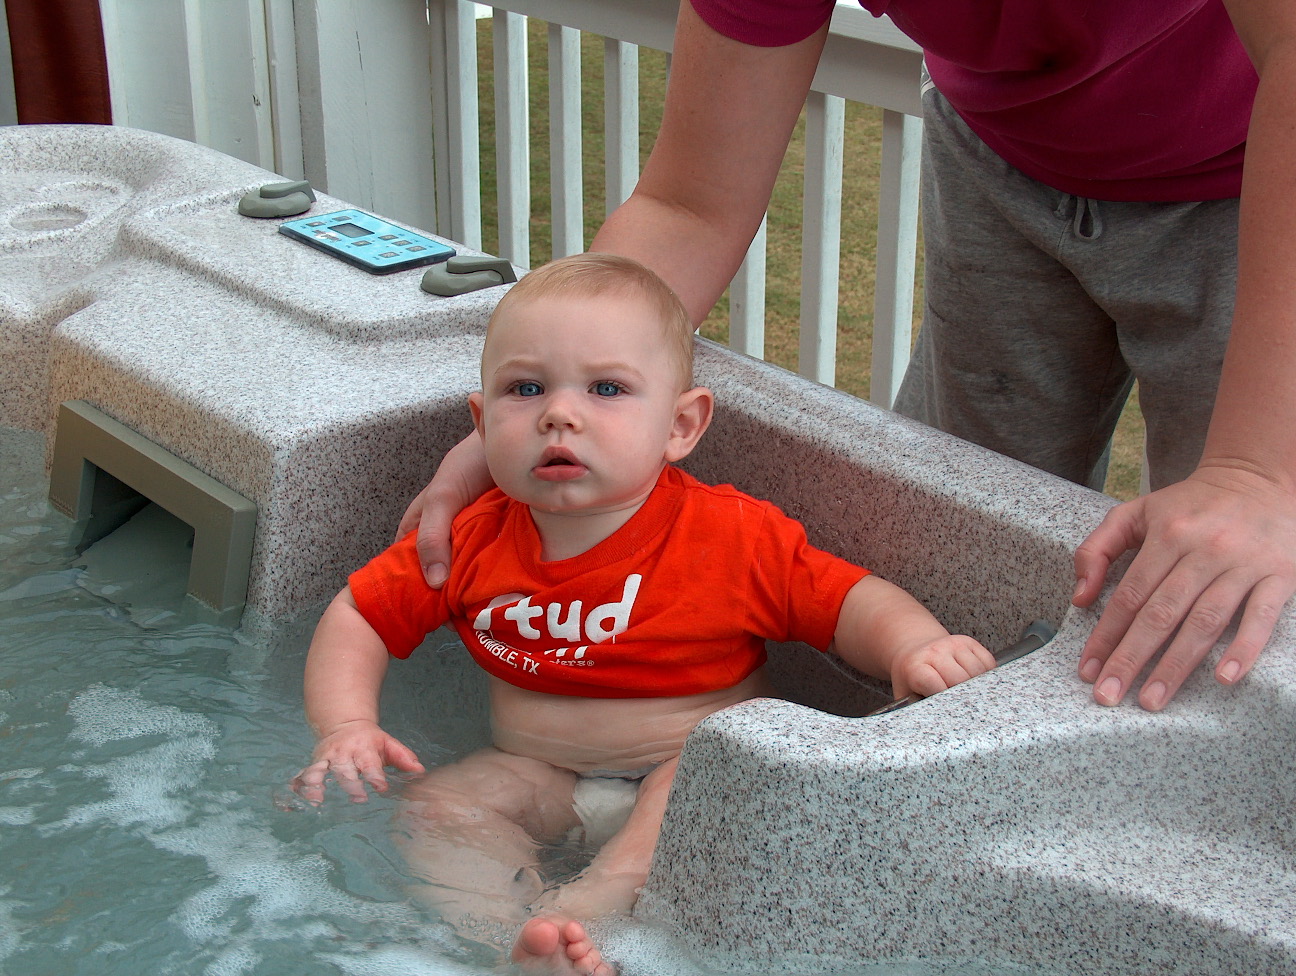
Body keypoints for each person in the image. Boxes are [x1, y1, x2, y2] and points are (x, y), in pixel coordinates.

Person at [402, 0, 1296, 714]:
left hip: (1253, 175)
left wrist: (1258, 472)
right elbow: (688, 206)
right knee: (951, 536)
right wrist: (542, 406)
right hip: (1001, 151)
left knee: (1223, 599)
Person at [292, 254, 996, 975]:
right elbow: (361, 616)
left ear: (681, 425)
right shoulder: (472, 539)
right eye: (525, 388)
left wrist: (914, 645)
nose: (559, 413)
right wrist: (347, 725)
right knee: (437, 809)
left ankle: (582, 914)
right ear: (480, 419)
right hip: (538, 769)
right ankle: (509, 938)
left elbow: (848, 600)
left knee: (689, 801)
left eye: (606, 389)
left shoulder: (727, 537)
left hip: (679, 765)